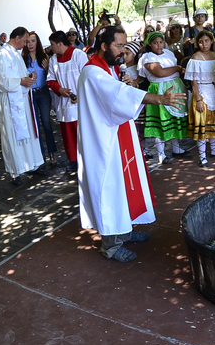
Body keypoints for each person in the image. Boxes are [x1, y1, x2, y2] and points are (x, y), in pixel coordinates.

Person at [75, 26, 182, 262]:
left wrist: (129, 85)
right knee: (111, 187)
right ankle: (111, 246)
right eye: (119, 46)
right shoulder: (93, 72)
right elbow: (117, 98)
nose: (123, 51)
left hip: (118, 134)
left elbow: (120, 94)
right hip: (104, 142)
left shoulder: (107, 67)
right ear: (104, 46)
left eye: (124, 46)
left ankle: (125, 231)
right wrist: (160, 99)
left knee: (126, 184)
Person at [0, 27, 47, 185]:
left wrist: (29, 78)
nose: (26, 44)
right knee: (12, 135)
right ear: (17, 38)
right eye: (24, 41)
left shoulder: (16, 54)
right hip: (11, 102)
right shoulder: (1, 54)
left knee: (29, 132)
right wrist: (21, 81)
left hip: (23, 99)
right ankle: (15, 171)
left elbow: (20, 75)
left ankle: (32, 164)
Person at [138, 31, 188, 164]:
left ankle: (176, 148)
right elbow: (159, 72)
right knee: (161, 120)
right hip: (160, 89)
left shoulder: (169, 53)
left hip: (174, 86)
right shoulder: (147, 57)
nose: (159, 45)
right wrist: (177, 68)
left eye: (161, 42)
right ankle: (161, 154)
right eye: (155, 43)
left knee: (174, 118)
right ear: (150, 44)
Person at [46, 30, 89, 172]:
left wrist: (80, 94)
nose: (51, 47)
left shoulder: (79, 55)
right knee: (67, 134)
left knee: (81, 132)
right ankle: (73, 159)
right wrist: (59, 90)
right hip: (63, 103)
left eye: (52, 44)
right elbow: (50, 79)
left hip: (79, 102)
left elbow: (88, 77)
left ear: (59, 43)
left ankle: (86, 159)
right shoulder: (53, 59)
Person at [184, 31, 215, 167]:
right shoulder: (195, 57)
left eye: (206, 41)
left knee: (213, 120)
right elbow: (193, 81)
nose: (204, 44)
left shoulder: (214, 56)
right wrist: (198, 99)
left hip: (213, 90)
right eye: (201, 41)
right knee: (202, 123)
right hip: (201, 92)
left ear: (212, 41)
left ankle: (214, 150)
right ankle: (202, 156)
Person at [22, 32, 59, 167]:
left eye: (33, 41)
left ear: (37, 42)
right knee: (34, 125)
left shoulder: (44, 58)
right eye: (28, 41)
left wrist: (47, 68)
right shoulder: (23, 60)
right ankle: (40, 153)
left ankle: (52, 152)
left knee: (46, 123)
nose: (30, 44)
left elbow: (51, 76)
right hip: (30, 94)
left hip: (43, 93)